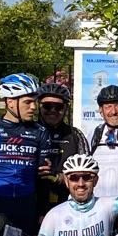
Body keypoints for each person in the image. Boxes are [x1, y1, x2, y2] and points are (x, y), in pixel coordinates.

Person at [0, 73, 51, 236]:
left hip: (25, 205)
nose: (34, 107)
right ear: (10, 102)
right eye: (28, 102)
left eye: (35, 102)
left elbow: (43, 177)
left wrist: (42, 210)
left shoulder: (40, 132)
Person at [36, 82, 89, 213]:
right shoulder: (28, 131)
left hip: (67, 204)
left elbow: (87, 171)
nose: (53, 111)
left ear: (66, 108)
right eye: (47, 106)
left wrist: (60, 177)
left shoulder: (75, 135)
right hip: (32, 202)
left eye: (58, 107)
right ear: (39, 106)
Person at [87, 84, 118, 200]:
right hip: (99, 206)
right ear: (101, 110)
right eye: (108, 106)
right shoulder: (95, 133)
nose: (113, 111)